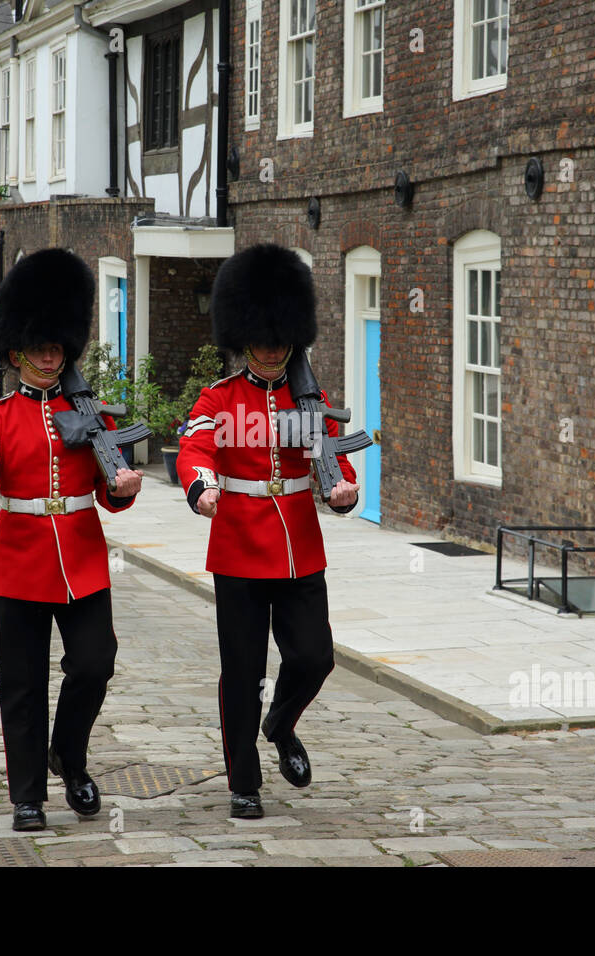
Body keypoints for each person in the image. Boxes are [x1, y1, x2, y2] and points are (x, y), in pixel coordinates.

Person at [0, 248, 143, 832]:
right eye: (40, 346)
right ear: (16, 352)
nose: (51, 354)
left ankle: (70, 757)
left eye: (58, 345)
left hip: (81, 557)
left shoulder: (89, 412)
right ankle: (27, 796)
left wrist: (125, 486)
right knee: (23, 684)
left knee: (95, 663)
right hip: (22, 564)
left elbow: (107, 488)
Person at [176, 243, 359, 819]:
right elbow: (196, 445)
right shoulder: (221, 396)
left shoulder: (311, 397)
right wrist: (201, 486)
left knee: (314, 657)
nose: (272, 349)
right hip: (237, 550)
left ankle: (280, 724)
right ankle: (243, 782)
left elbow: (332, 458)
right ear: (245, 339)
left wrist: (343, 489)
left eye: (281, 339)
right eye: (262, 339)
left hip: (300, 547)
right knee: (243, 673)